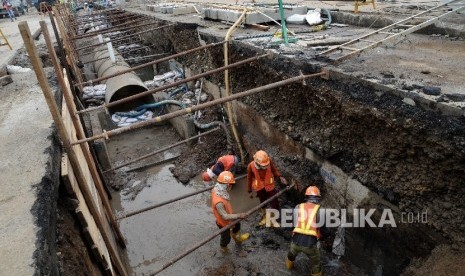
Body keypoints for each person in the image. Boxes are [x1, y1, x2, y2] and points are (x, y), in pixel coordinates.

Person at [286, 186, 330, 276]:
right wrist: (324, 238)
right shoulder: (321, 210)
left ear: (306, 197)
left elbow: (293, 225)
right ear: (318, 198)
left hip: (295, 242)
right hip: (310, 245)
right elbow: (324, 230)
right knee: (316, 264)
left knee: (291, 255)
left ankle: (288, 268)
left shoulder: (298, 207)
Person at [211, 171, 250, 253]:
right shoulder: (219, 202)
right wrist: (239, 215)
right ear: (227, 185)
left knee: (237, 225)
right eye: (230, 184)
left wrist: (235, 216)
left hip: (229, 214)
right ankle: (223, 248)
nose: (231, 186)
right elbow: (225, 216)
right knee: (226, 238)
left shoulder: (218, 189)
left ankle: (237, 237)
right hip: (223, 223)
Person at [247, 150, 287, 227]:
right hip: (259, 187)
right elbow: (249, 178)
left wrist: (280, 176)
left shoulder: (268, 161)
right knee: (263, 202)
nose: (266, 167)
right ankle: (265, 217)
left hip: (269, 185)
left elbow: (274, 170)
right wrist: (249, 190)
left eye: (266, 165)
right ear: (257, 163)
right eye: (264, 166)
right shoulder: (250, 166)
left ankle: (272, 219)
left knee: (274, 202)